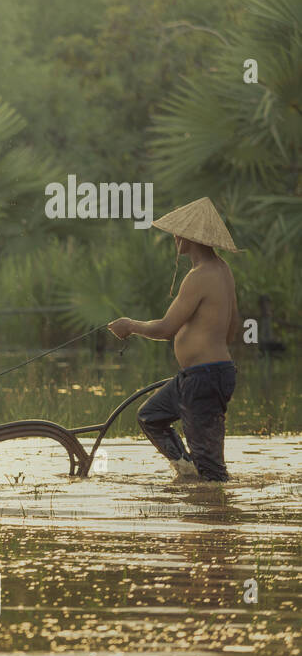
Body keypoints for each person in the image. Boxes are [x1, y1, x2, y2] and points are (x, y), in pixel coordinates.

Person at [107, 198, 240, 481]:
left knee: (212, 469)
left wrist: (130, 325)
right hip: (201, 375)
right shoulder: (223, 271)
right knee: (150, 417)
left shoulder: (199, 276)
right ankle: (189, 474)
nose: (175, 237)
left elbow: (165, 329)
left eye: (180, 232)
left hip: (204, 377)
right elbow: (232, 329)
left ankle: (216, 509)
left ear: (192, 237)